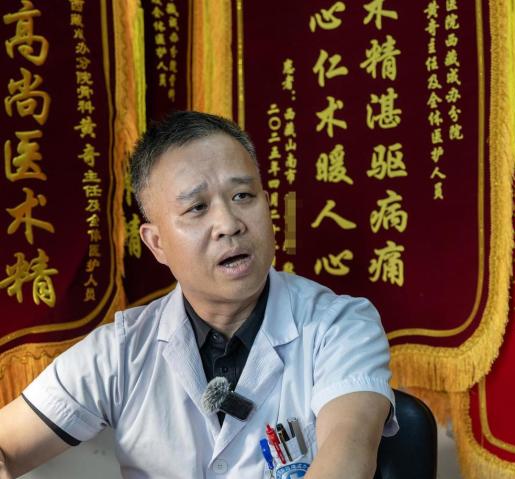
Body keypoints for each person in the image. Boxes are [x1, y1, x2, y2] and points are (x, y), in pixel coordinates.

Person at [0, 111, 397, 478]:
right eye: (197, 208)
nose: (228, 223)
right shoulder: (120, 352)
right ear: (156, 243)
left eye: (242, 196)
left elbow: (348, 458)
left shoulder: (339, 327)